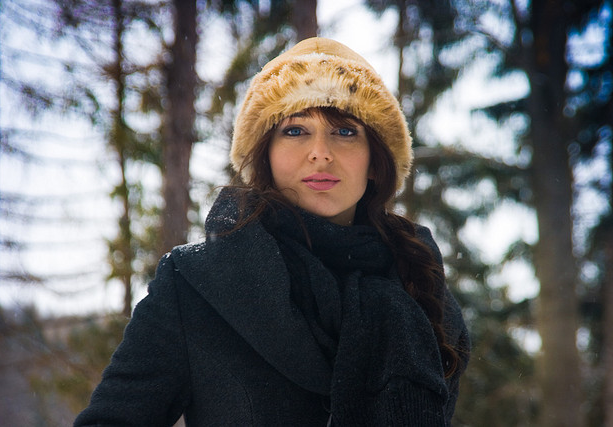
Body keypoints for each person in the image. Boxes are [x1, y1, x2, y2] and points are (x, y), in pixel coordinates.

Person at [74, 37, 470, 427]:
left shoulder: (420, 283)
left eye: (345, 131)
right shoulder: (195, 283)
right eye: (295, 131)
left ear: (375, 161)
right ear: (266, 154)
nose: (321, 152)